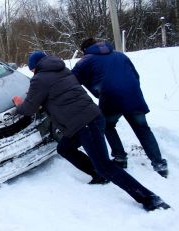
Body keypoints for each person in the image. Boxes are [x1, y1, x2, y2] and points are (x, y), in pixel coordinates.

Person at [12, 51, 170, 211]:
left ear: (35, 67)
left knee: (106, 166)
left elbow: (29, 108)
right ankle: (98, 174)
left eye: (32, 70)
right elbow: (55, 93)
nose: (32, 73)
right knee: (65, 148)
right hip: (93, 118)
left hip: (85, 124)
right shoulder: (62, 70)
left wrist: (19, 103)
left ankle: (150, 198)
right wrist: (37, 96)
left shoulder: (39, 79)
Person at [71, 38, 168, 178]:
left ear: (85, 50)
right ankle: (159, 164)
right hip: (134, 97)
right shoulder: (120, 55)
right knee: (143, 129)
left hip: (111, 99)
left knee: (107, 126)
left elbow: (71, 80)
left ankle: (120, 157)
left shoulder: (85, 61)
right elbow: (136, 75)